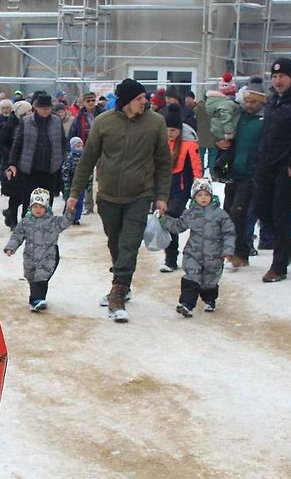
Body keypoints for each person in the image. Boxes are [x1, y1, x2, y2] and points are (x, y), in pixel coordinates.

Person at [67, 78, 171, 323]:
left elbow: (164, 162)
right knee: (115, 243)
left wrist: (162, 196)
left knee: (129, 244)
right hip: (108, 196)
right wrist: (75, 193)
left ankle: (117, 294)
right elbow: (87, 159)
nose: (144, 102)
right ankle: (123, 283)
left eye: (144, 98)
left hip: (139, 195)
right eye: (139, 98)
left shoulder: (156, 123)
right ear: (126, 102)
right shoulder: (104, 122)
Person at [253, 57, 291, 283]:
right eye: (274, 77)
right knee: (261, 209)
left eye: (282, 76)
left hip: (288, 167)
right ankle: (290, 244)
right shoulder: (274, 100)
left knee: (281, 214)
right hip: (267, 165)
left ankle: (278, 266)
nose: (277, 81)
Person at [160, 178, 236, 317]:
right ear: (194, 197)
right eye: (199, 195)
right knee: (191, 278)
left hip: (214, 256)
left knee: (209, 282)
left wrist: (228, 249)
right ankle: (186, 304)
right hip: (193, 253)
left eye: (206, 194)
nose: (203, 198)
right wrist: (163, 219)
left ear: (211, 196)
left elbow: (229, 233)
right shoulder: (190, 213)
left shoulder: (220, 214)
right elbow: (177, 226)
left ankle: (209, 299)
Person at [4, 187, 74, 312]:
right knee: (31, 277)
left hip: (48, 256)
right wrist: (11, 247)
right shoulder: (25, 222)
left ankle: (37, 300)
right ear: (30, 207)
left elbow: (65, 222)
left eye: (41, 207)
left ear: (47, 207)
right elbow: (17, 236)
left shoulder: (53, 222)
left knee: (41, 277)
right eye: (35, 206)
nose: (38, 210)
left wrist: (70, 211)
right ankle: (36, 300)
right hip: (30, 256)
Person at [223, 83, 265, 268]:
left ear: (261, 102)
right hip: (235, 170)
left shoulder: (264, 120)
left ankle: (241, 252)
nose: (249, 105)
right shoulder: (241, 118)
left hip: (251, 173)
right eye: (247, 101)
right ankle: (234, 250)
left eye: (253, 102)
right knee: (228, 211)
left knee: (238, 211)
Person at [160, 104, 203, 273]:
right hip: (164, 188)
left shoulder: (189, 144)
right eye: (167, 130)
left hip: (181, 189)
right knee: (165, 220)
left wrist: (199, 187)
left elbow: (196, 167)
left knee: (171, 217)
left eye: (173, 130)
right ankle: (170, 257)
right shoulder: (161, 143)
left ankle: (172, 259)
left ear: (180, 130)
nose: (170, 133)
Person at [7, 93, 66, 213]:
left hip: (50, 169)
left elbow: (62, 142)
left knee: (47, 201)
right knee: (28, 200)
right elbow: (17, 143)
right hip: (30, 169)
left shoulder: (56, 121)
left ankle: (45, 222)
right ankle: (27, 222)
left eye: (48, 108)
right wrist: (12, 162)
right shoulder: (26, 122)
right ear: (36, 108)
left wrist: (62, 160)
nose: (45, 110)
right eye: (42, 108)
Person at [206, 73, 240, 181]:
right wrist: (229, 132)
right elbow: (226, 118)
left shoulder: (216, 101)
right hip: (224, 132)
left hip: (217, 131)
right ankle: (219, 169)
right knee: (228, 151)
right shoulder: (227, 103)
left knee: (222, 152)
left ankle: (219, 170)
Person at [0, 99, 22, 228]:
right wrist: (12, 156)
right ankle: (13, 220)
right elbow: (0, 144)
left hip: (24, 164)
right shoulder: (9, 126)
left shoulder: (28, 125)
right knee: (15, 194)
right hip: (10, 164)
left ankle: (11, 213)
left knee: (23, 194)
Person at [62, 137, 85, 225]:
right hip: (71, 185)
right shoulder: (70, 157)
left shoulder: (84, 158)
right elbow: (65, 171)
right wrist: (66, 183)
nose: (80, 148)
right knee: (70, 201)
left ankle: (76, 218)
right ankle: (67, 217)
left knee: (79, 202)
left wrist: (88, 183)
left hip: (81, 185)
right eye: (78, 146)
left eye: (81, 146)